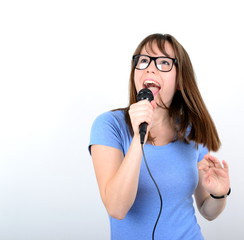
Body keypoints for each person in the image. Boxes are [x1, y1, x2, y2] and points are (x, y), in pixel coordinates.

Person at [88, 33, 230, 240]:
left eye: (164, 62)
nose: (150, 68)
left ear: (180, 80)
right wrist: (139, 136)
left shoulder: (191, 132)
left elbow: (207, 210)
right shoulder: (109, 126)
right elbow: (116, 208)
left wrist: (219, 193)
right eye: (143, 60)